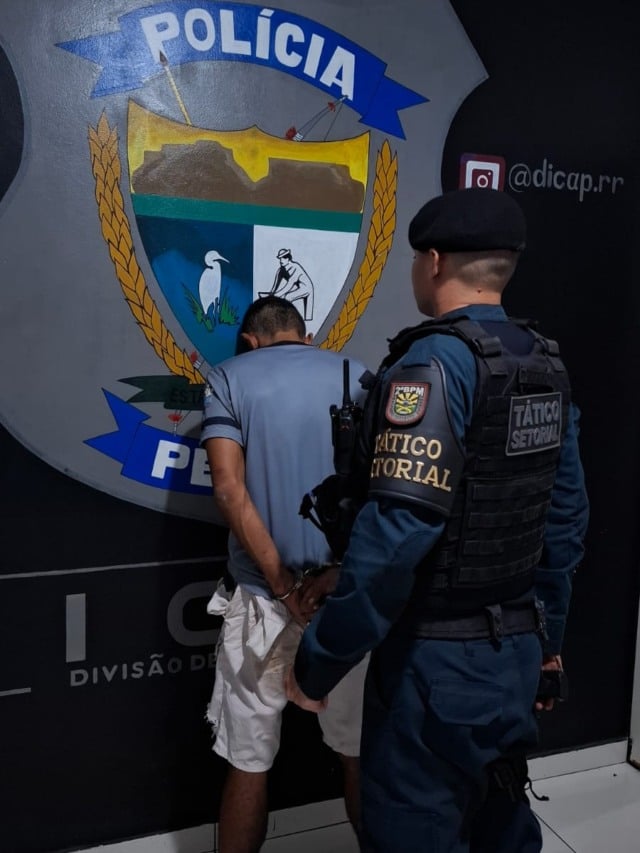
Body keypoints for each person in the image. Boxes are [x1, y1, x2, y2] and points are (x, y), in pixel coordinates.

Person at [286, 188, 589, 852]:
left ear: (432, 261)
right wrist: (549, 642)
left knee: (414, 832)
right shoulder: (545, 362)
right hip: (515, 654)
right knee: (500, 823)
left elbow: (396, 536)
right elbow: (565, 522)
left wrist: (318, 662)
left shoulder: (432, 365)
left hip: (434, 664)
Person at [201, 295, 369, 853]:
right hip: (343, 596)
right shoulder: (356, 375)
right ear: (306, 335)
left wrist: (283, 585)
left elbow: (229, 489)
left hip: (262, 598)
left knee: (247, 761)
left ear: (249, 341)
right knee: (359, 753)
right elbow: (387, 492)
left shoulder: (229, 377)